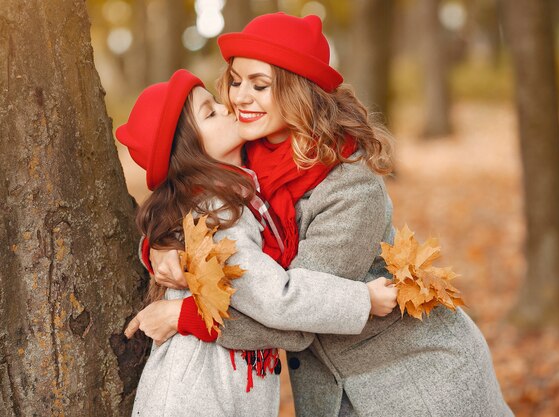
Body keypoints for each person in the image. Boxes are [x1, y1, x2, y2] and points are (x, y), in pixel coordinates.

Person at [135, 13, 513, 417]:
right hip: (336, 388)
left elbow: (295, 322)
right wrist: (162, 246)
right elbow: (193, 193)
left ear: (297, 93)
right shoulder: (245, 159)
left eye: (259, 85)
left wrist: (185, 316)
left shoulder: (349, 188)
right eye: (236, 81)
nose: (239, 98)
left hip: (415, 379)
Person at [116, 69, 398, 416]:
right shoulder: (219, 214)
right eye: (210, 112)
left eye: (216, 102)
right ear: (188, 151)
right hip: (200, 390)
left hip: (230, 383)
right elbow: (274, 299)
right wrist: (361, 300)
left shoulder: (242, 187)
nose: (229, 106)